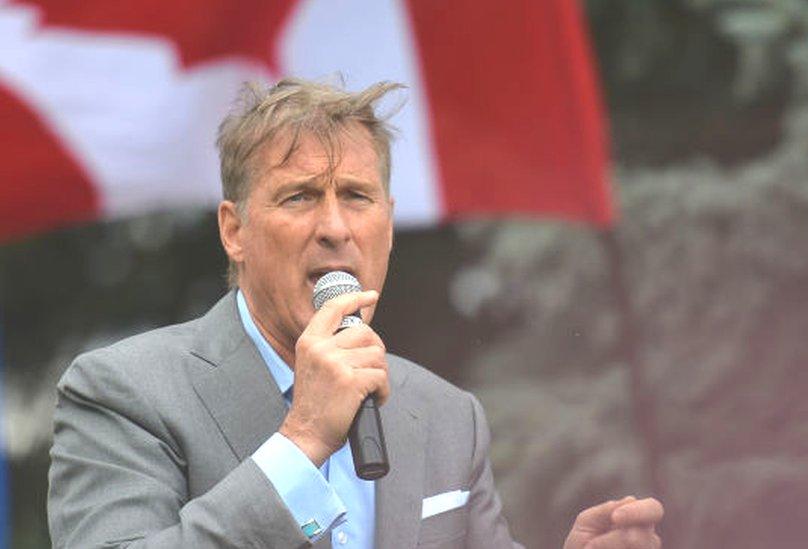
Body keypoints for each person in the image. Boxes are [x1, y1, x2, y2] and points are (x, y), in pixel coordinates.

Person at [47, 78, 664, 548]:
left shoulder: (447, 415)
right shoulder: (123, 392)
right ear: (234, 231)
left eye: (357, 197)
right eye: (300, 196)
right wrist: (304, 439)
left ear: (388, 226)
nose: (335, 227)